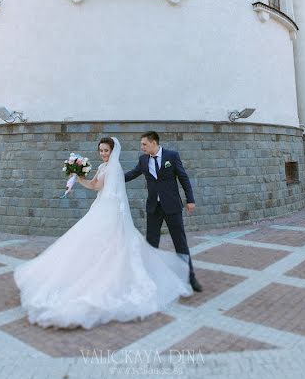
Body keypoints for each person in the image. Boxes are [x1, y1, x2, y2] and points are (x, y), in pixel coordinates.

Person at [12, 137, 192, 329]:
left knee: (106, 245)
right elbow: (93, 185)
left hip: (110, 211)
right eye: (101, 150)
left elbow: (98, 187)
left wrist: (78, 177)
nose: (103, 154)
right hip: (100, 207)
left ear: (113, 151)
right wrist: (78, 177)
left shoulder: (113, 168)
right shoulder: (103, 167)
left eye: (106, 150)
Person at [124, 131, 203, 292]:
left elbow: (183, 177)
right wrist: (112, 177)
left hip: (172, 206)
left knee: (180, 242)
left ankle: (190, 277)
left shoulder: (172, 156)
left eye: (144, 144)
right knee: (151, 243)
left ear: (154, 143)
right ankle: (150, 278)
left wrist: (190, 199)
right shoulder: (143, 160)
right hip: (154, 208)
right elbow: (132, 174)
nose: (142, 147)